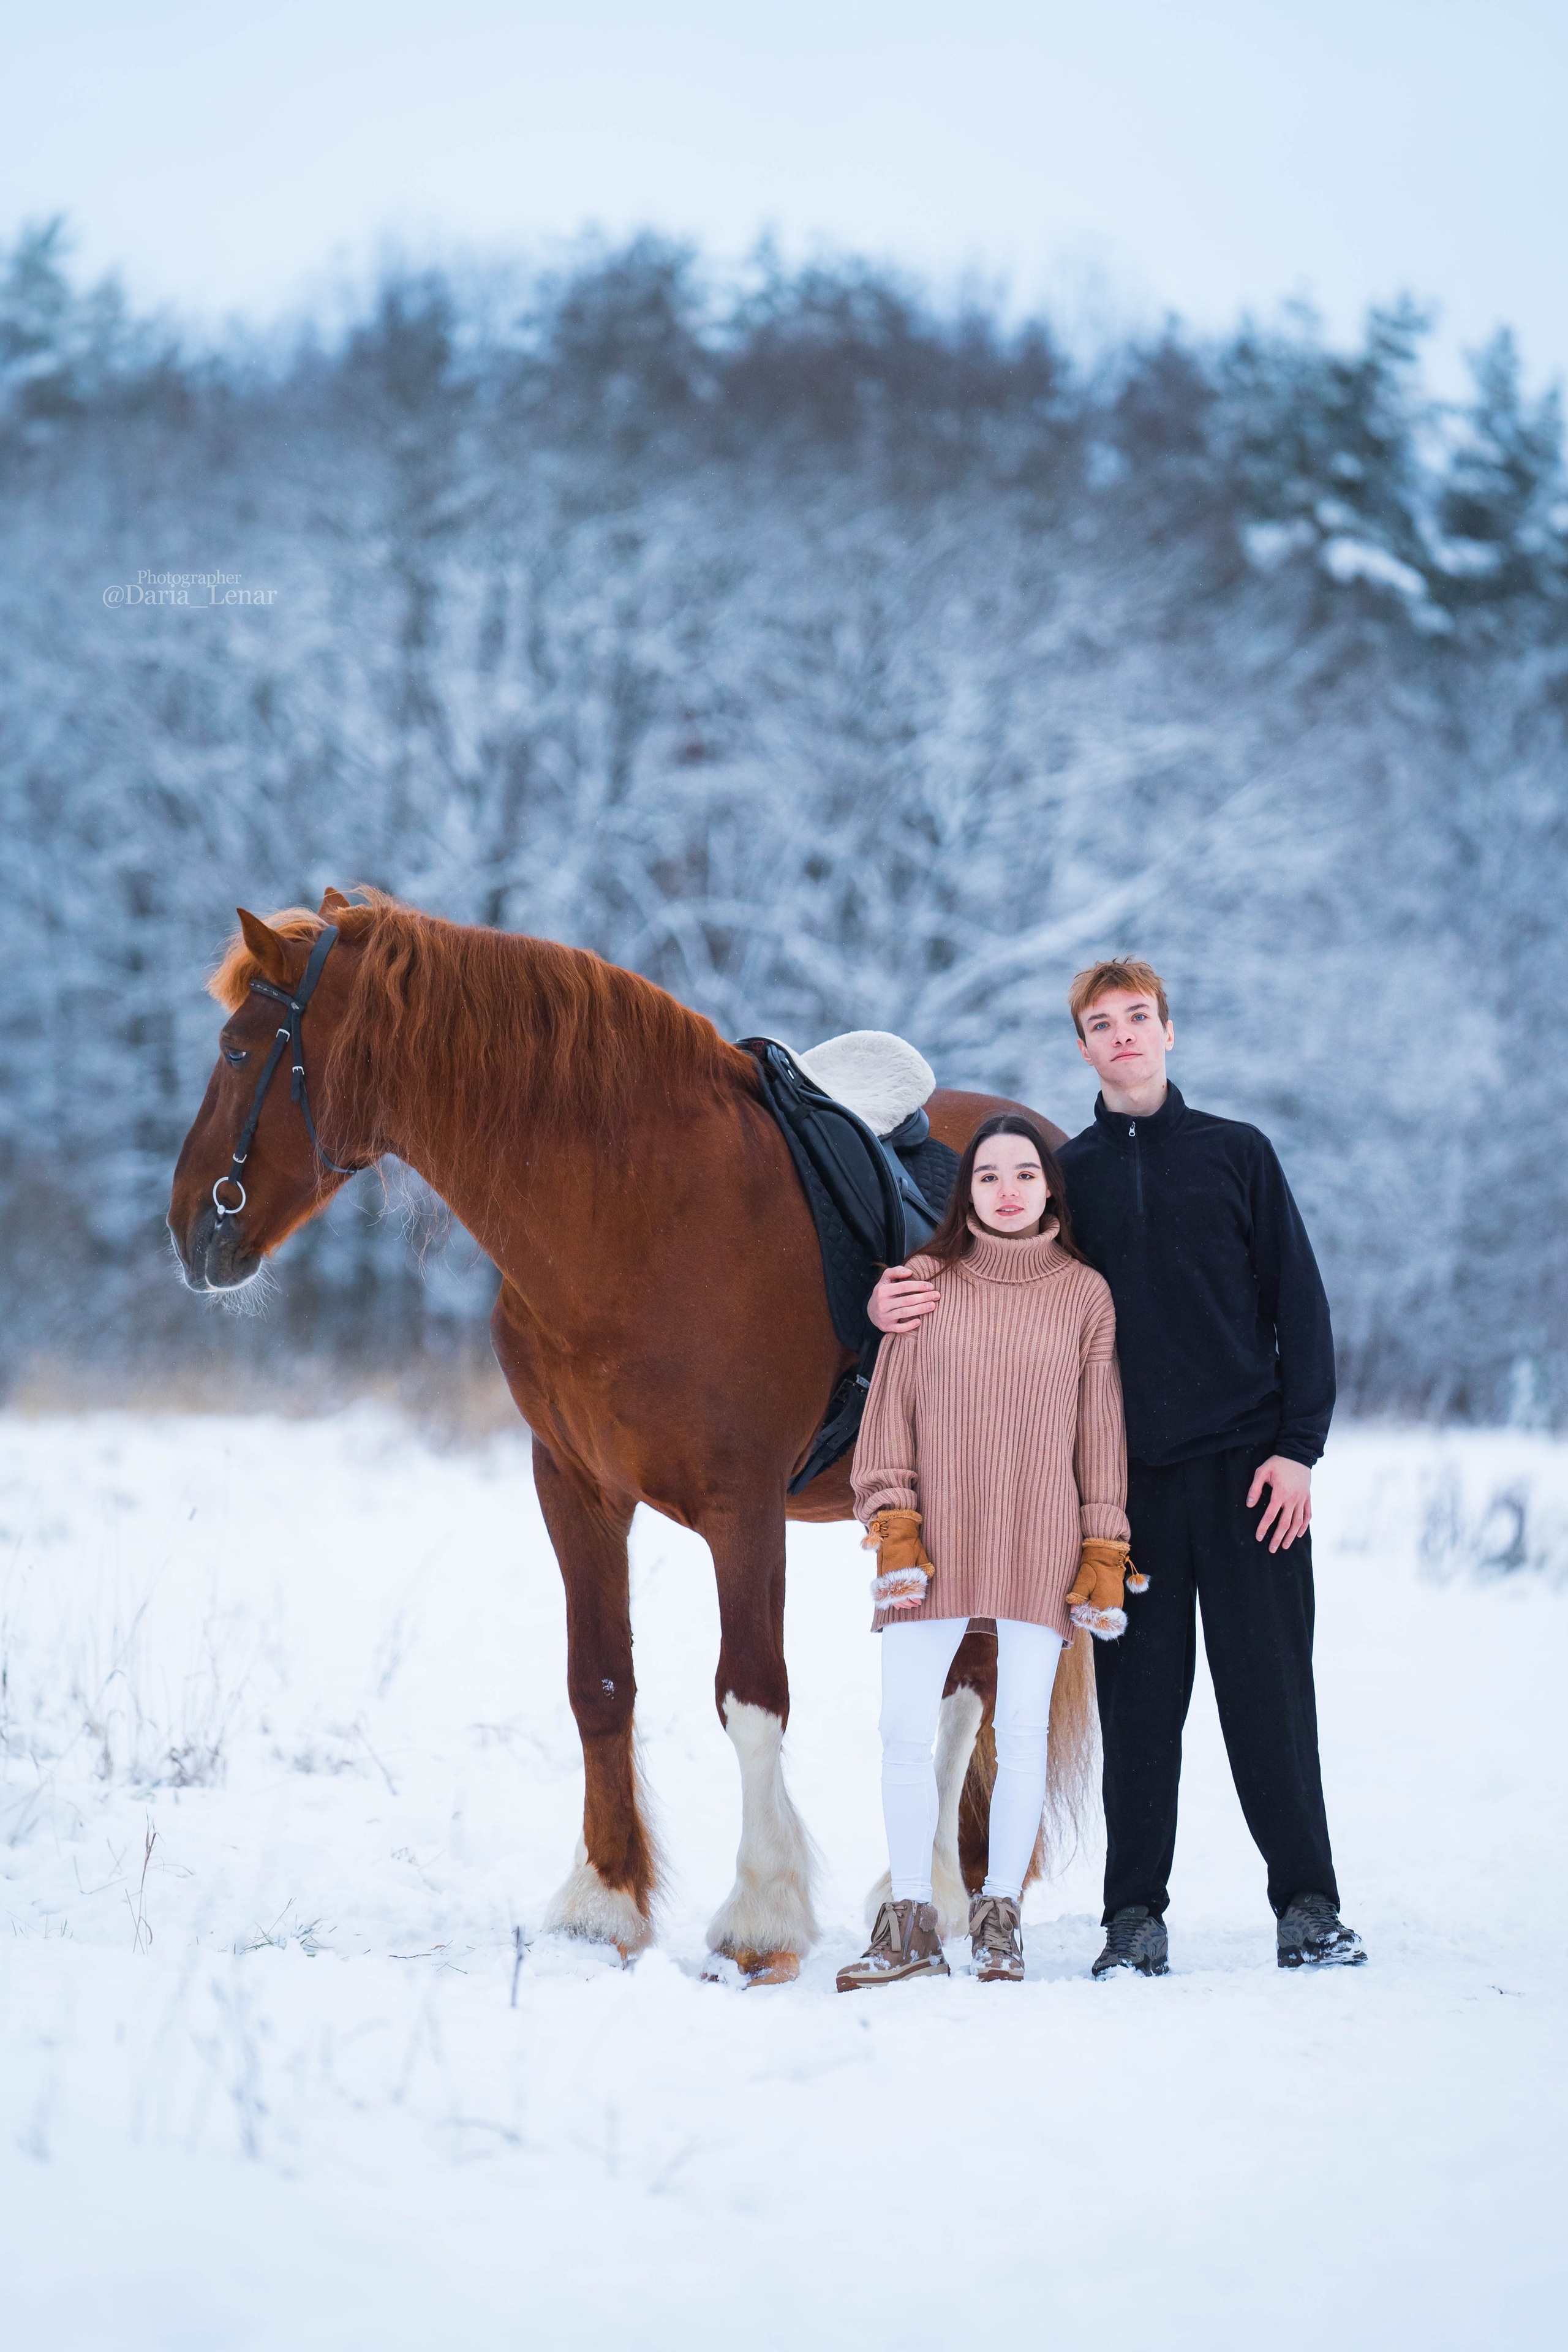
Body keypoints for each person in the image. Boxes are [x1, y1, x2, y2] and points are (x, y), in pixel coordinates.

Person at [868, 960, 1365, 1975]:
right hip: (1122, 1490)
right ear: (1083, 1047)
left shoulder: (1239, 1155)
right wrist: (893, 1298)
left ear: (1168, 1033)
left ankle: (1308, 1906)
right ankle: (1133, 1919)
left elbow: (1300, 1307)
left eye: (1140, 1018)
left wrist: (1297, 1450)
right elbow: (991, 1262)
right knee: (1140, 1711)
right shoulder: (1074, 1172)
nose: (1124, 1036)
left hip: (1246, 1476)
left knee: (1269, 1696)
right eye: (1103, 1024)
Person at [838, 1113, 1139, 1991]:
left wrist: (1104, 1545)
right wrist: (893, 1522)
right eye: (987, 1177)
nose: (1007, 1191)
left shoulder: (1086, 1294)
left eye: (1025, 1175)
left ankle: (1000, 1915)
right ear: (965, 1191)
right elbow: (886, 1419)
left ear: (1050, 1188)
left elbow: (1102, 1432)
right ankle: (908, 1921)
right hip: (928, 1543)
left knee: (1020, 1735)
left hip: (1040, 1540)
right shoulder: (925, 1283)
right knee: (901, 1732)